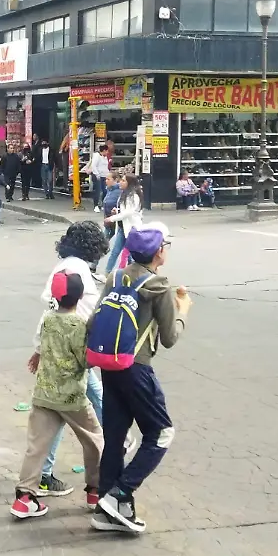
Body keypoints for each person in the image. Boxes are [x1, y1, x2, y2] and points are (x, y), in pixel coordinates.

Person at [93, 223, 191, 534]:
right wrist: (183, 310)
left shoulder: (115, 277)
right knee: (161, 433)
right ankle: (120, 493)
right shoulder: (158, 285)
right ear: (158, 252)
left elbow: (96, 317)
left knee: (115, 437)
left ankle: (106, 509)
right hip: (136, 368)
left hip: (109, 364)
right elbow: (170, 338)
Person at [11, 270, 105, 519]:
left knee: (36, 447)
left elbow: (41, 345)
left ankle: (24, 499)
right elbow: (86, 361)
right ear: (80, 296)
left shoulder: (47, 318)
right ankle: (95, 491)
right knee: (94, 440)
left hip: (44, 395)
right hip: (72, 398)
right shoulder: (78, 325)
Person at [31, 221, 111, 497]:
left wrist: (39, 349)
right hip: (73, 351)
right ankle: (106, 455)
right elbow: (88, 311)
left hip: (58, 350)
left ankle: (44, 473)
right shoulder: (77, 270)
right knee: (72, 410)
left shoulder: (65, 266)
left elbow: (48, 311)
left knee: (81, 403)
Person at [105, 174, 144, 273]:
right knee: (116, 252)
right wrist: (117, 210)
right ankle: (107, 273)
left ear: (129, 183)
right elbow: (125, 210)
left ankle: (134, 273)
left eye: (123, 181)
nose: (120, 183)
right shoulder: (124, 194)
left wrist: (112, 218)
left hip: (131, 229)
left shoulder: (133, 196)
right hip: (122, 227)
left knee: (129, 254)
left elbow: (128, 212)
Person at [90, 144, 111, 212]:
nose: (107, 152)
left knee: (105, 191)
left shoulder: (105, 157)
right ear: (104, 150)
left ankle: (102, 204)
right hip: (97, 176)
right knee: (98, 191)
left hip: (104, 176)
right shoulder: (97, 156)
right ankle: (96, 205)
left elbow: (105, 167)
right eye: (107, 151)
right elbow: (94, 166)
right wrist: (97, 174)